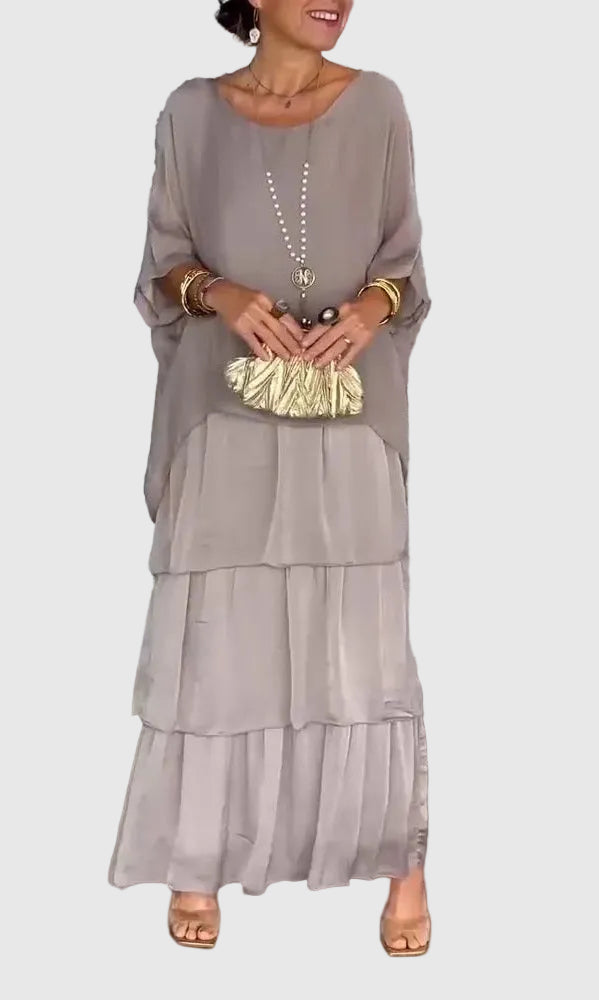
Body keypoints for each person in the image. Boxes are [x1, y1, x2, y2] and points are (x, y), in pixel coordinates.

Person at [108, 0, 432, 956]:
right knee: (217, 635)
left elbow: (406, 264)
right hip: (223, 406)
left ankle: (403, 861)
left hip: (348, 406)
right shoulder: (190, 112)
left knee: (364, 639)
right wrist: (218, 292)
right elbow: (161, 267)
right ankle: (196, 856)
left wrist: (372, 309)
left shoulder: (379, 105)